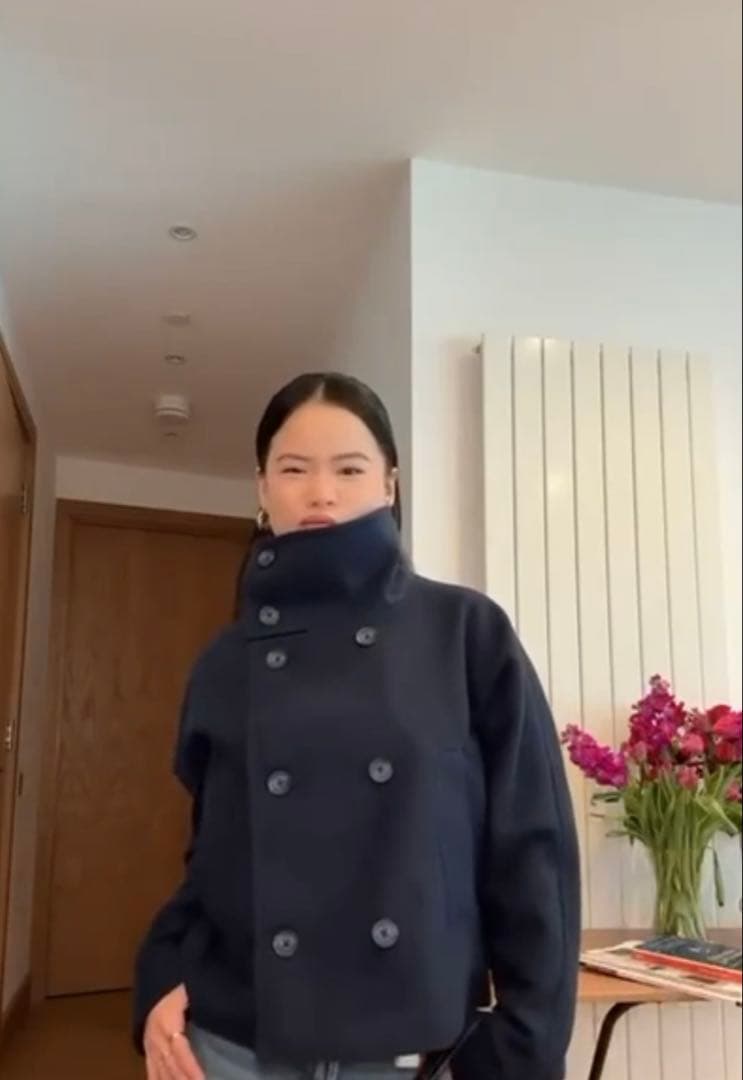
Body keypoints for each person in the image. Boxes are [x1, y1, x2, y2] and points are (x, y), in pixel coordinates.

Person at [134, 372, 581, 1080]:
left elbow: (534, 851)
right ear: (260, 487)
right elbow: (211, 855)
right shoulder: (225, 660)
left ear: (389, 485)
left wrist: (521, 1046)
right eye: (293, 469)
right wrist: (161, 973)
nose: (321, 492)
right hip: (232, 1045)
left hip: (410, 1052)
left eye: (348, 469)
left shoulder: (465, 632)